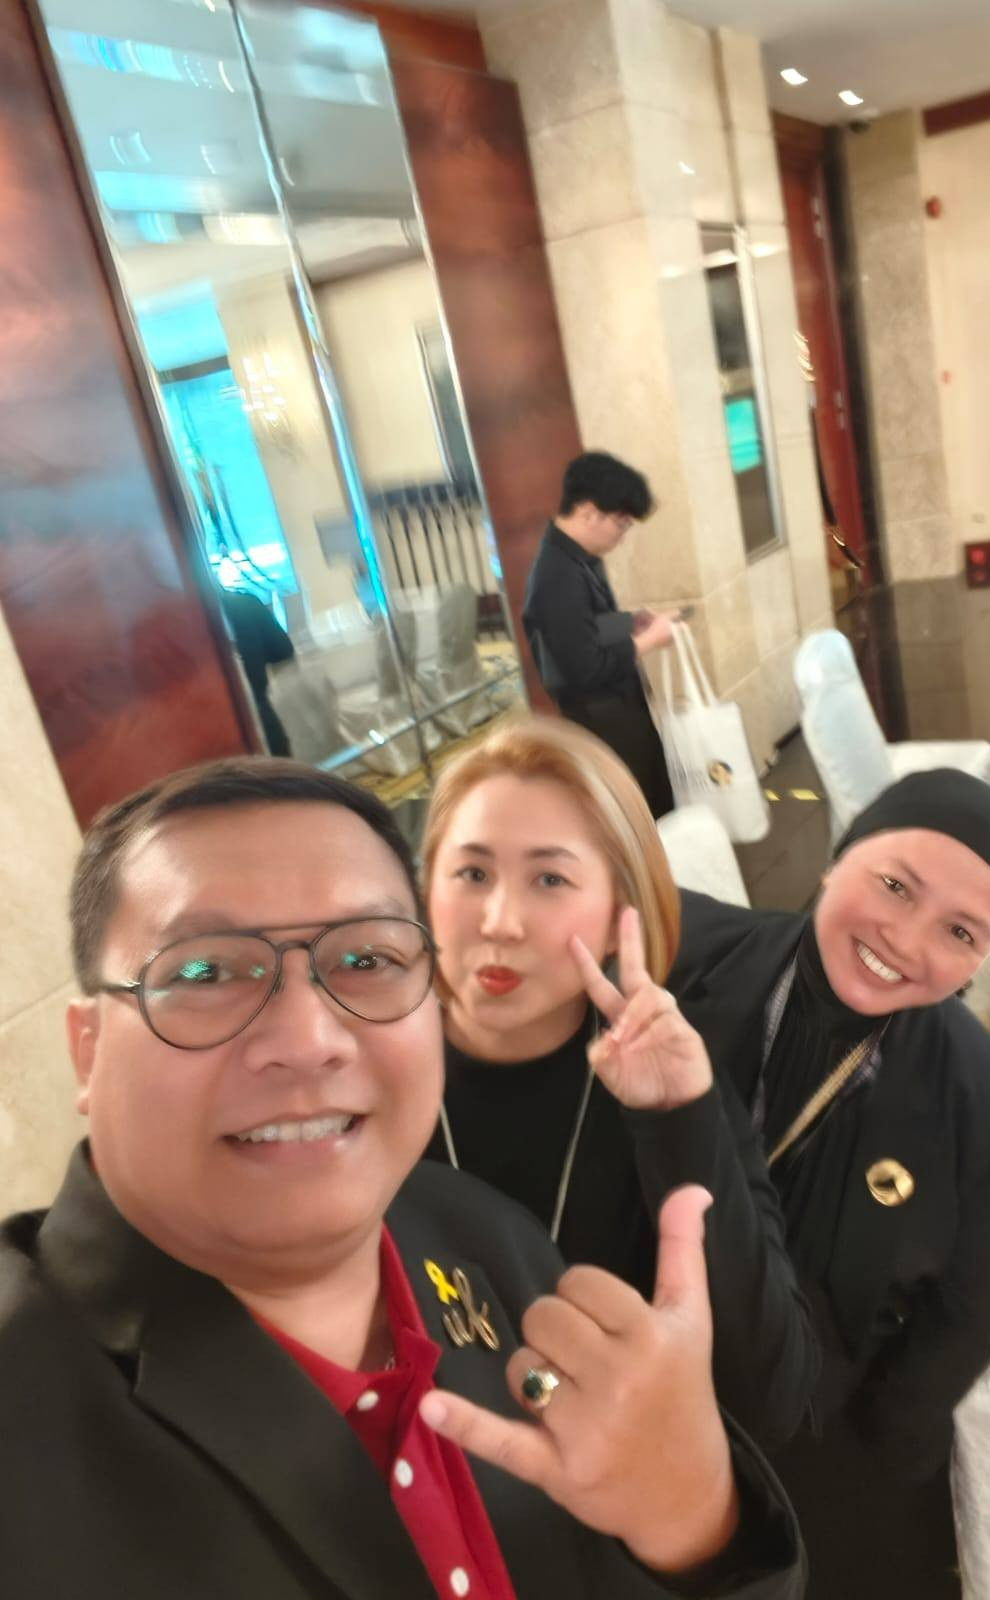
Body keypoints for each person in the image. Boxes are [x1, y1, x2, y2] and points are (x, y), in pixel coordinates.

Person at [0, 757, 805, 1599]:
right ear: (88, 1049)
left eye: (366, 958)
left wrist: (695, 1523)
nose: (309, 1040)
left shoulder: (482, 1236)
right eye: (205, 972)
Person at [668, 769, 990, 1599]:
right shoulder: (679, 949)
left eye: (960, 931)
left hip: (811, 1451)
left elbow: (969, 1317)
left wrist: (867, 1461)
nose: (905, 940)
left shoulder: (989, 1101)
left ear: (982, 960)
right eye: (894, 886)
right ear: (837, 857)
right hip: (635, 1386)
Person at [421, 716, 818, 1454]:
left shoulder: (668, 1084)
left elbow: (770, 1400)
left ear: (618, 919)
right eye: (472, 873)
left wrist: (677, 1121)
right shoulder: (364, 1069)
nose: (499, 921)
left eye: (549, 879)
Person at [522, 451, 679, 817]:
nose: (622, 537)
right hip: (601, 722)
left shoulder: (578, 558)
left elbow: (579, 629)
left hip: (617, 712)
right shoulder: (557, 575)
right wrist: (651, 640)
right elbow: (584, 666)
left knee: (652, 802)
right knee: (637, 813)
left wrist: (629, 624)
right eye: (621, 524)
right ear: (588, 511)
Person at [219, 585, 296, 756]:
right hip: (261, 719)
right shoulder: (243, 604)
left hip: (211, 740)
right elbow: (283, 650)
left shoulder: (180, 622)